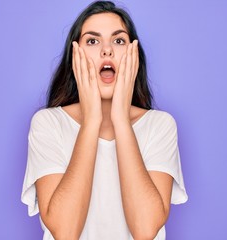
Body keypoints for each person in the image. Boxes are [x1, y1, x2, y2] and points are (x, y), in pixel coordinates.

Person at [21, 1, 188, 239]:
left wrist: (120, 118)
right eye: (92, 40)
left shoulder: (160, 125)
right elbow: (65, 232)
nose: (107, 50)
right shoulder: (48, 123)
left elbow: (145, 229)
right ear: (74, 56)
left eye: (119, 40)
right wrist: (92, 122)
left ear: (134, 56)